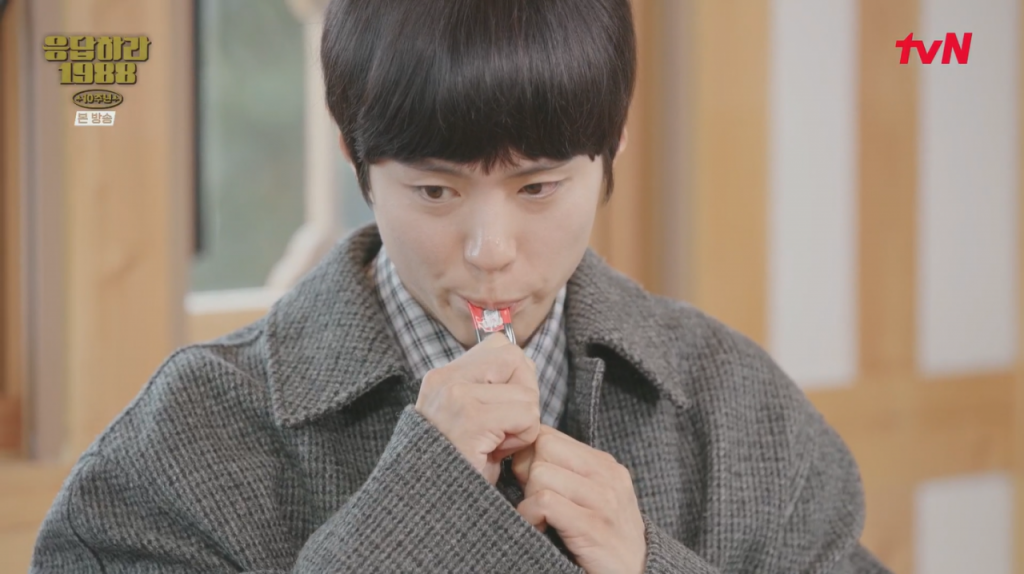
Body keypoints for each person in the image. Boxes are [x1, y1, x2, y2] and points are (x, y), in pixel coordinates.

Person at [32, 0, 892, 572]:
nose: (490, 252)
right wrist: (414, 517)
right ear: (354, 154)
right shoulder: (187, 435)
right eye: (435, 192)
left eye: (539, 187)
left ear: (613, 146)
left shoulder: (737, 404)